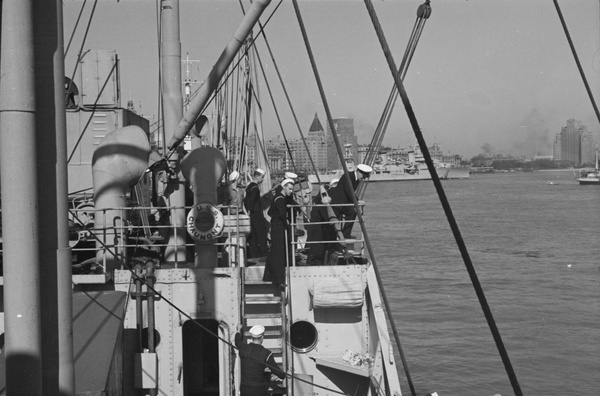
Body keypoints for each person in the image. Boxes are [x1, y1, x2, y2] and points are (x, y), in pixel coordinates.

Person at [235, 325, 286, 396]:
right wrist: (285, 375)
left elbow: (237, 341)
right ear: (262, 337)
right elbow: (276, 371)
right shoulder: (266, 353)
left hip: (244, 390)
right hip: (258, 391)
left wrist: (238, 330)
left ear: (252, 337)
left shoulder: (243, 348)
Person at [263, 178, 294, 287]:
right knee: (279, 254)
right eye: (289, 189)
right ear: (284, 187)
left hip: (275, 227)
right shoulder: (281, 199)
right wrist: (286, 221)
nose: (291, 191)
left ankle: (268, 277)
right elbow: (282, 213)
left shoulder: (277, 198)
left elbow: (270, 212)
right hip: (279, 228)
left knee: (274, 252)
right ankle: (279, 280)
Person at [327, 163, 372, 239]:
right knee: (333, 222)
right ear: (358, 172)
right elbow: (349, 191)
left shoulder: (356, 179)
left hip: (344, 203)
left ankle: (346, 233)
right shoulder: (348, 176)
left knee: (352, 212)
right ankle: (331, 240)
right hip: (336, 202)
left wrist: (356, 201)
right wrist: (357, 201)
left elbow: (350, 193)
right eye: (363, 176)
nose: (363, 179)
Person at [245, 168, 269, 259]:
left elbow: (247, 200)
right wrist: (250, 211)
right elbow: (252, 200)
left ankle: (254, 254)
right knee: (261, 233)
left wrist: (248, 212)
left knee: (253, 235)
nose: (262, 179)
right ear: (257, 176)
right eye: (262, 177)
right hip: (257, 213)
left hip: (252, 214)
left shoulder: (249, 186)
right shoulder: (255, 188)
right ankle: (264, 253)